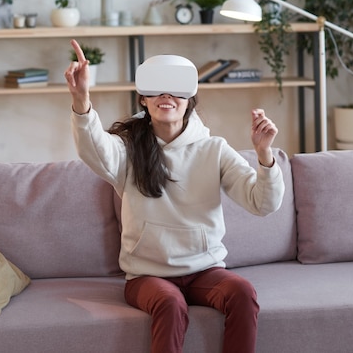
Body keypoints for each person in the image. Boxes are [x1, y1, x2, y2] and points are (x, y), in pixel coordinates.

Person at [64, 39, 285, 353]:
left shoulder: (214, 149)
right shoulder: (127, 150)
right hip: (146, 275)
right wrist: (82, 99)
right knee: (169, 303)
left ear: (190, 96)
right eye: (156, 89)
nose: (166, 96)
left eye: (176, 89)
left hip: (205, 270)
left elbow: (263, 203)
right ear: (143, 97)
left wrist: (264, 156)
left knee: (242, 292)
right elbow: (94, 148)